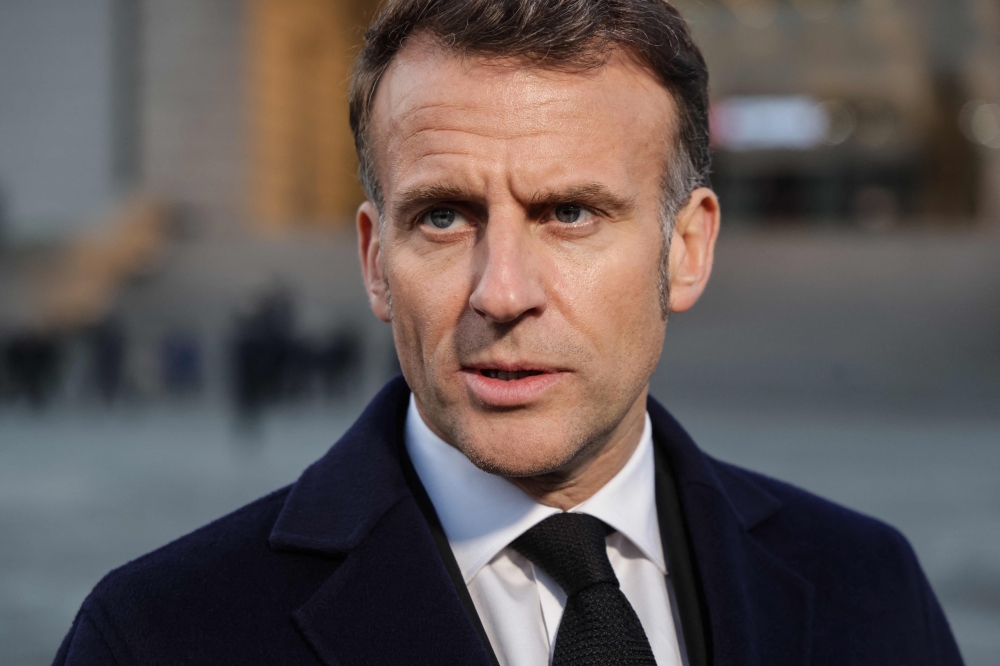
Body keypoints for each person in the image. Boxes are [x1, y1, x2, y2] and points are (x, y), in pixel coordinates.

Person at [54, 0, 963, 663]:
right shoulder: (158, 636)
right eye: (444, 218)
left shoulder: (869, 590)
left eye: (569, 212)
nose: (503, 292)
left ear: (686, 250)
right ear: (376, 261)